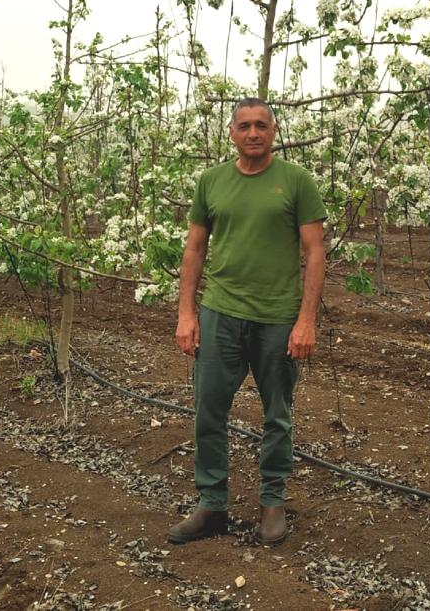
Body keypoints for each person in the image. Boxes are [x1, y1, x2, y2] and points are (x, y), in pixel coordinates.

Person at [167, 97, 326, 546]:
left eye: (262, 125)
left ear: (274, 131)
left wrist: (306, 320)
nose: (253, 133)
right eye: (244, 126)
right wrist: (186, 313)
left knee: (278, 413)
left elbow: (315, 251)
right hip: (221, 313)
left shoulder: (296, 181)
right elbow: (195, 249)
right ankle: (211, 503)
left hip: (277, 317)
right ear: (231, 133)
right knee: (208, 410)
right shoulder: (211, 182)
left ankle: (272, 501)